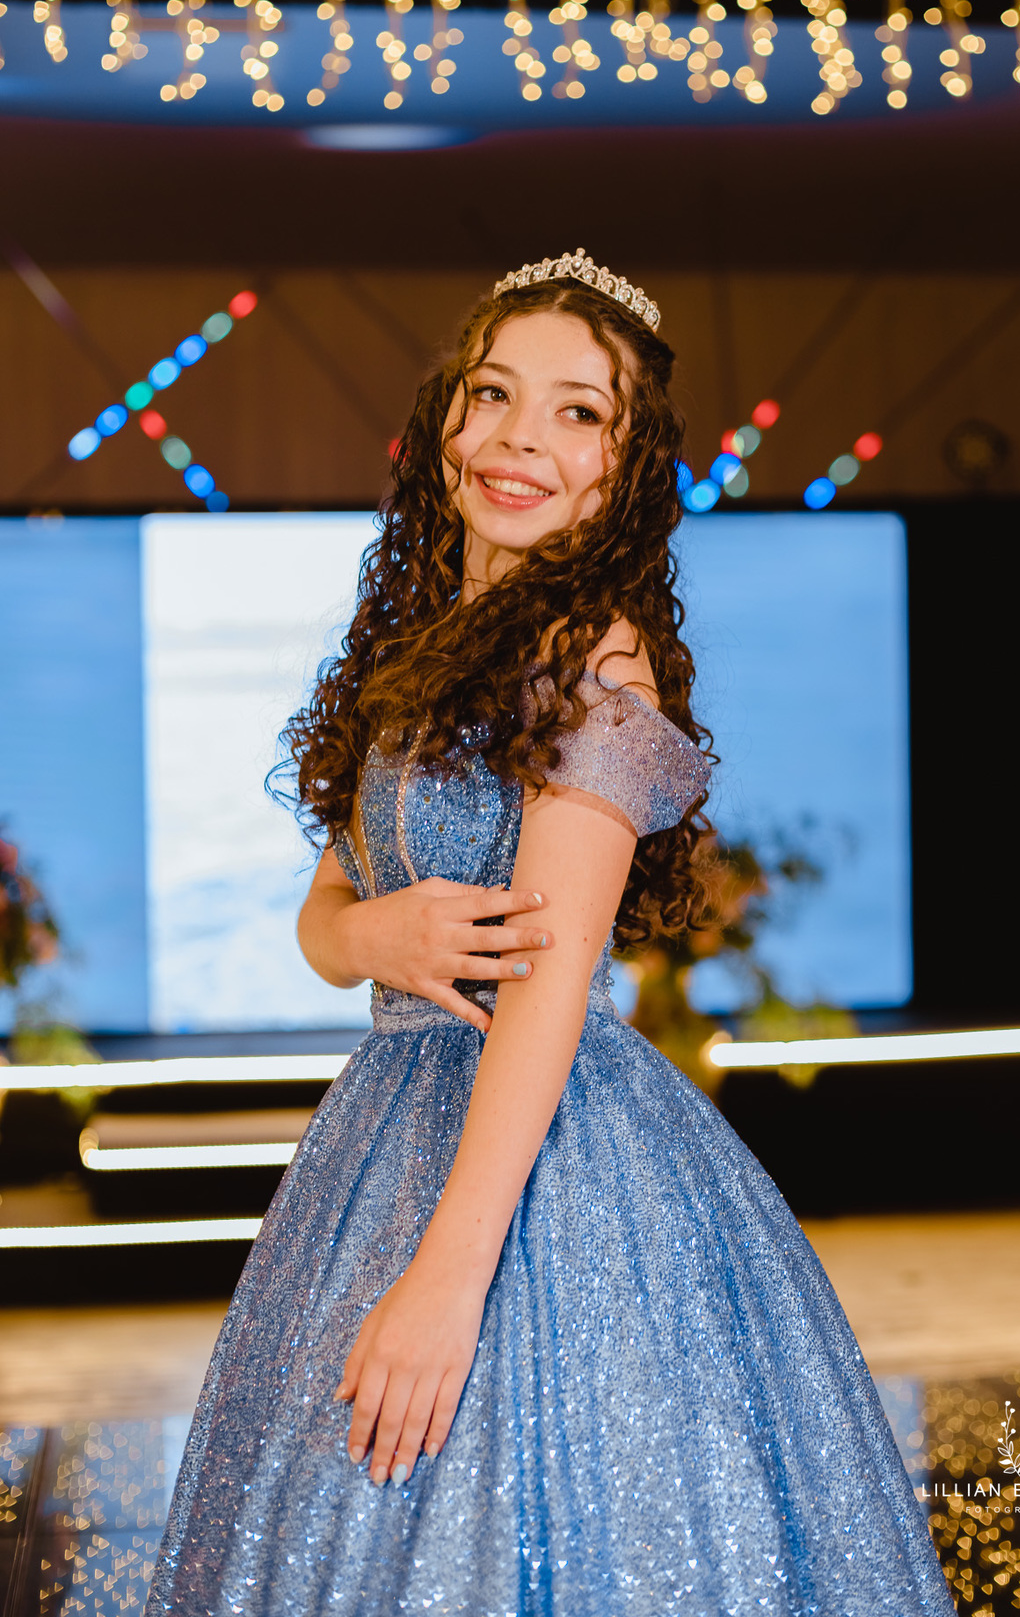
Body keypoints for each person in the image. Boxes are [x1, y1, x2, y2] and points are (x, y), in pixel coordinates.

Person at [147, 250, 954, 1617]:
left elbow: (553, 973)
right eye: (495, 394)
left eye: (579, 412)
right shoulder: (414, 647)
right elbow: (323, 914)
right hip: (388, 1125)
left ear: (627, 466)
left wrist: (450, 1279)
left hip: (546, 1162)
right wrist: (377, 938)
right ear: (446, 420)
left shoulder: (597, 655)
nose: (522, 438)